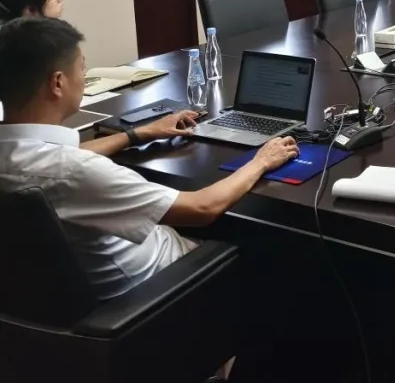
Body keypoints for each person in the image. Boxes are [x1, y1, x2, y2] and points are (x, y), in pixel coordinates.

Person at [0, 17, 299, 300]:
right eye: (82, 68)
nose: (84, 77)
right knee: (274, 243)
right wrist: (261, 160)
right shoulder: (78, 172)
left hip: (48, 299)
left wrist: (138, 134)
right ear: (58, 83)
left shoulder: (27, 157)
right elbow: (202, 208)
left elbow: (60, 159)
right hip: (160, 291)